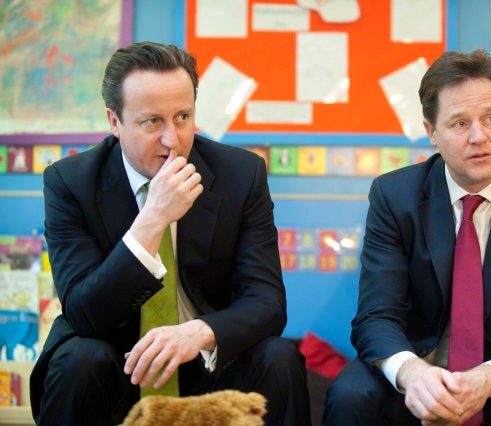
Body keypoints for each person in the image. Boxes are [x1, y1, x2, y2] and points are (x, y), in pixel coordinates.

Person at [30, 41, 311, 426]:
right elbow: (84, 313)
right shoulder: (70, 183)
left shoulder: (240, 174)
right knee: (80, 357)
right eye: (152, 122)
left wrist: (200, 332)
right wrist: (153, 218)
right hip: (117, 365)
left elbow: (267, 302)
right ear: (115, 122)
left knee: (280, 357)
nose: (173, 140)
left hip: (207, 360)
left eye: (182, 117)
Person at [323, 49, 491, 425]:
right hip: (421, 373)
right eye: (460, 124)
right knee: (350, 394)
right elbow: (376, 316)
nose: (479, 136)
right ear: (432, 132)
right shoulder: (395, 197)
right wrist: (414, 375)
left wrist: (485, 379)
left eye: (490, 118)